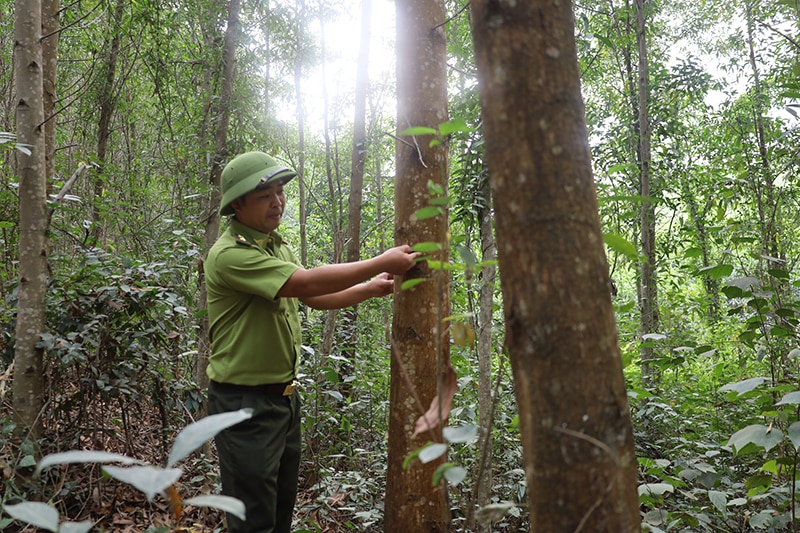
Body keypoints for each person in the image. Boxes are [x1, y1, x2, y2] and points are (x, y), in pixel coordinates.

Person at [203, 150, 419, 533]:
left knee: (279, 513)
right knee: (253, 520)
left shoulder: (276, 246)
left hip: (284, 400)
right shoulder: (229, 254)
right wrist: (379, 262)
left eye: (280, 191)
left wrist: (368, 289)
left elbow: (309, 298)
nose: (278, 201)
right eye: (265, 194)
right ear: (237, 203)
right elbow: (305, 282)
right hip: (243, 404)